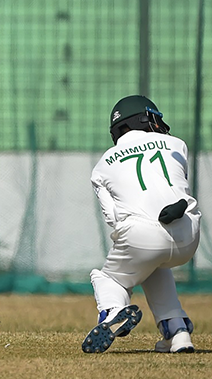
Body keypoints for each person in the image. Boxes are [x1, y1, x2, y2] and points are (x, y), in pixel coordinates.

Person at [82, 95, 200, 353]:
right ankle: (177, 331)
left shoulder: (103, 164)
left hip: (142, 235)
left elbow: (113, 220)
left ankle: (113, 310)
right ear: (144, 118)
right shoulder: (177, 144)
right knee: (152, 266)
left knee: (107, 278)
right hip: (189, 231)